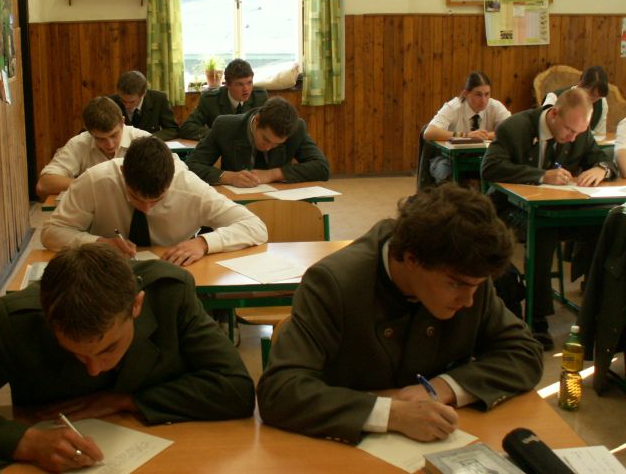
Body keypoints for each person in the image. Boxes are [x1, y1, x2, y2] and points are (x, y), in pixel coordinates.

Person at [0, 244, 255, 470]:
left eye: (108, 349)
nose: (94, 370)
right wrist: (25, 442)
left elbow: (236, 389)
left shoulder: (169, 296)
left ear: (136, 306)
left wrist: (126, 400)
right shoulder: (16, 323)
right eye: (75, 354)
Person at [257, 184, 543, 444]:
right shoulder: (334, 284)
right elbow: (280, 391)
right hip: (344, 449)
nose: (469, 301)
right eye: (457, 285)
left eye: (477, 286)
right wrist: (392, 414)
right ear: (411, 260)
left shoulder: (468, 271)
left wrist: (443, 387)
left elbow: (524, 352)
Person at [481, 88, 617, 348]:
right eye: (569, 131)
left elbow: (602, 159)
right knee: (543, 231)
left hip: (557, 209)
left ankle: (596, 312)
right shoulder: (515, 127)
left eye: (579, 133)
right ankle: (537, 319)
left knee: (606, 225)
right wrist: (541, 175)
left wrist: (601, 169)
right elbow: (490, 168)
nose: (573, 138)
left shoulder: (579, 131)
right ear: (554, 114)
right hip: (511, 208)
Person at [41, 136, 267, 266]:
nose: (146, 208)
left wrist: (203, 243)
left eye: (157, 200)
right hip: (106, 273)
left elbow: (255, 226)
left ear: (171, 180)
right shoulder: (94, 180)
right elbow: (52, 232)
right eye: (135, 197)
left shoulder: (190, 187)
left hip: (170, 276)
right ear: (123, 172)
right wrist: (98, 243)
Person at [187, 97, 330, 186]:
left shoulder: (297, 129)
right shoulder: (225, 126)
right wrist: (230, 177)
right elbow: (191, 166)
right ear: (257, 121)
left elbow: (322, 167)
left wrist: (273, 174)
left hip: (279, 203)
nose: (268, 147)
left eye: (277, 144)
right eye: (266, 139)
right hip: (235, 205)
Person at [36, 96, 150, 200]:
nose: (110, 144)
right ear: (88, 132)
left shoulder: (144, 140)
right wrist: (92, 185)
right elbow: (43, 184)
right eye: (100, 138)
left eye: (114, 135)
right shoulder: (79, 143)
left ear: (122, 122)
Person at [423, 71, 511, 183]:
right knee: (446, 174)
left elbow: (511, 131)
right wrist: (466, 135)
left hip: (484, 158)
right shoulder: (454, 106)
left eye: (487, 94)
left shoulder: (495, 106)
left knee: (503, 172)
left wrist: (484, 136)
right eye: (478, 95)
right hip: (449, 158)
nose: (483, 100)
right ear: (465, 94)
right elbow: (428, 132)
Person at [179, 58, 269, 140]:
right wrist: (220, 134)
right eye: (240, 84)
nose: (246, 89)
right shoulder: (210, 100)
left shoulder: (259, 97)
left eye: (249, 83)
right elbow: (187, 128)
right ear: (228, 85)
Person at [542, 65, 609, 140]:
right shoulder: (553, 97)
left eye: (597, 97)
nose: (592, 100)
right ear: (580, 85)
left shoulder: (602, 103)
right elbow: (544, 131)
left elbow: (600, 136)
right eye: (591, 95)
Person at [109, 70, 180, 141]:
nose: (127, 106)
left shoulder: (159, 99)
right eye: (123, 101)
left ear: (143, 94)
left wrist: (149, 138)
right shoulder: (111, 102)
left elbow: (173, 130)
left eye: (132, 102)